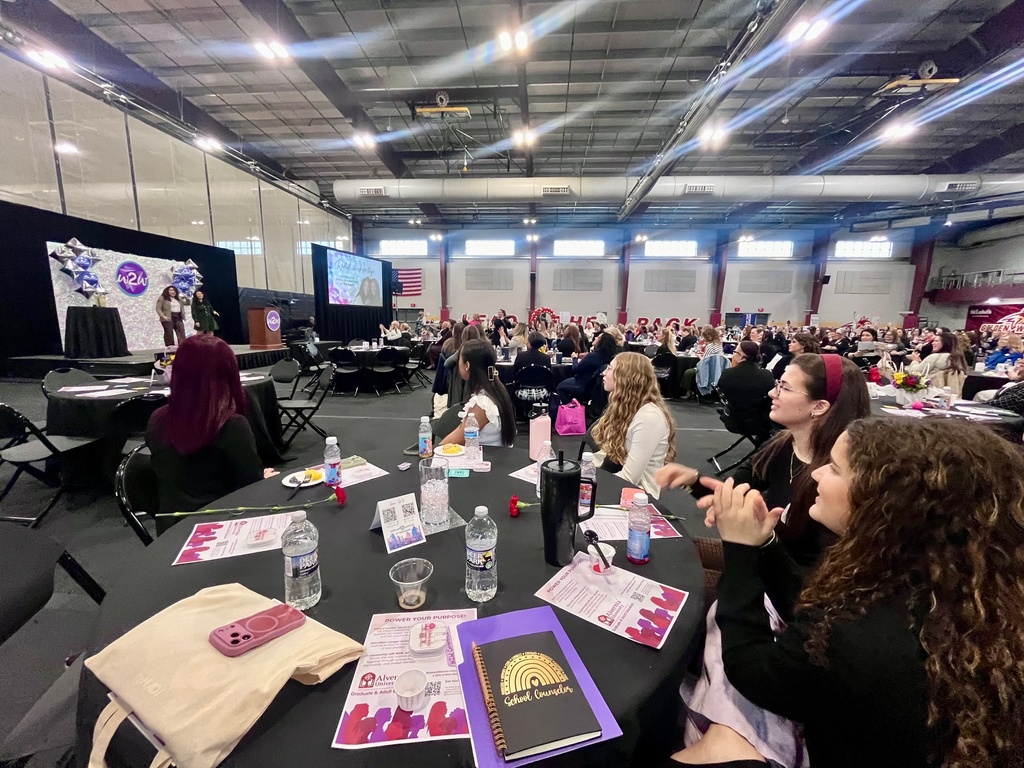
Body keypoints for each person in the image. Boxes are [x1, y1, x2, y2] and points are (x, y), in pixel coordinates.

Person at [677, 419, 1024, 768]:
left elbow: (755, 672)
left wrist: (739, 547)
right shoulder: (941, 582)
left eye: (835, 469)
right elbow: (810, 604)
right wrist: (762, 542)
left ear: (885, 501)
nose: (816, 476)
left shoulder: (867, 631)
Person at [657, 354, 870, 767]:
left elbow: (803, 589)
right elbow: (738, 495)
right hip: (767, 560)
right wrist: (695, 484)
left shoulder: (836, 494)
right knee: (675, 554)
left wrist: (749, 542)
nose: (772, 392)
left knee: (681, 582)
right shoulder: (781, 448)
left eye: (785, 387)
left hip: (790, 592)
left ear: (819, 407)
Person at [146, 335, 278, 530]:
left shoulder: (157, 419)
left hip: (170, 528)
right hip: (221, 525)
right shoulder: (230, 425)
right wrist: (262, 479)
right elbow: (249, 489)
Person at [591, 352, 676, 499]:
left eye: (609, 368)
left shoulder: (649, 418)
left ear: (625, 377)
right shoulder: (625, 406)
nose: (603, 373)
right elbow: (609, 455)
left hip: (638, 497)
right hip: (617, 480)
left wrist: (588, 486)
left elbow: (629, 479)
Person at [438, 339, 516, 448]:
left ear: (467, 365)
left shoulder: (481, 405)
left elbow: (453, 441)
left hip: (482, 459)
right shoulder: (497, 391)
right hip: (496, 458)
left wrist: (434, 452)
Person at [718, 341, 776, 441]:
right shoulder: (766, 375)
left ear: (741, 356)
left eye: (735, 352)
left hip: (733, 420)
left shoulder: (727, 374)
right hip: (760, 422)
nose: (733, 354)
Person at [554, 330, 619, 409]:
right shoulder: (609, 357)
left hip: (582, 384)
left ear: (601, 342)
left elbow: (576, 369)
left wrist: (574, 359)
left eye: (598, 337)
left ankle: (570, 409)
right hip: (594, 388)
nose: (595, 338)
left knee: (560, 387)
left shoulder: (593, 356)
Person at [681, 326, 725, 397]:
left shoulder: (710, 346)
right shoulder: (719, 345)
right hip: (716, 369)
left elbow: (704, 361)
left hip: (707, 369)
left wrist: (699, 356)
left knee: (688, 373)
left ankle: (688, 392)